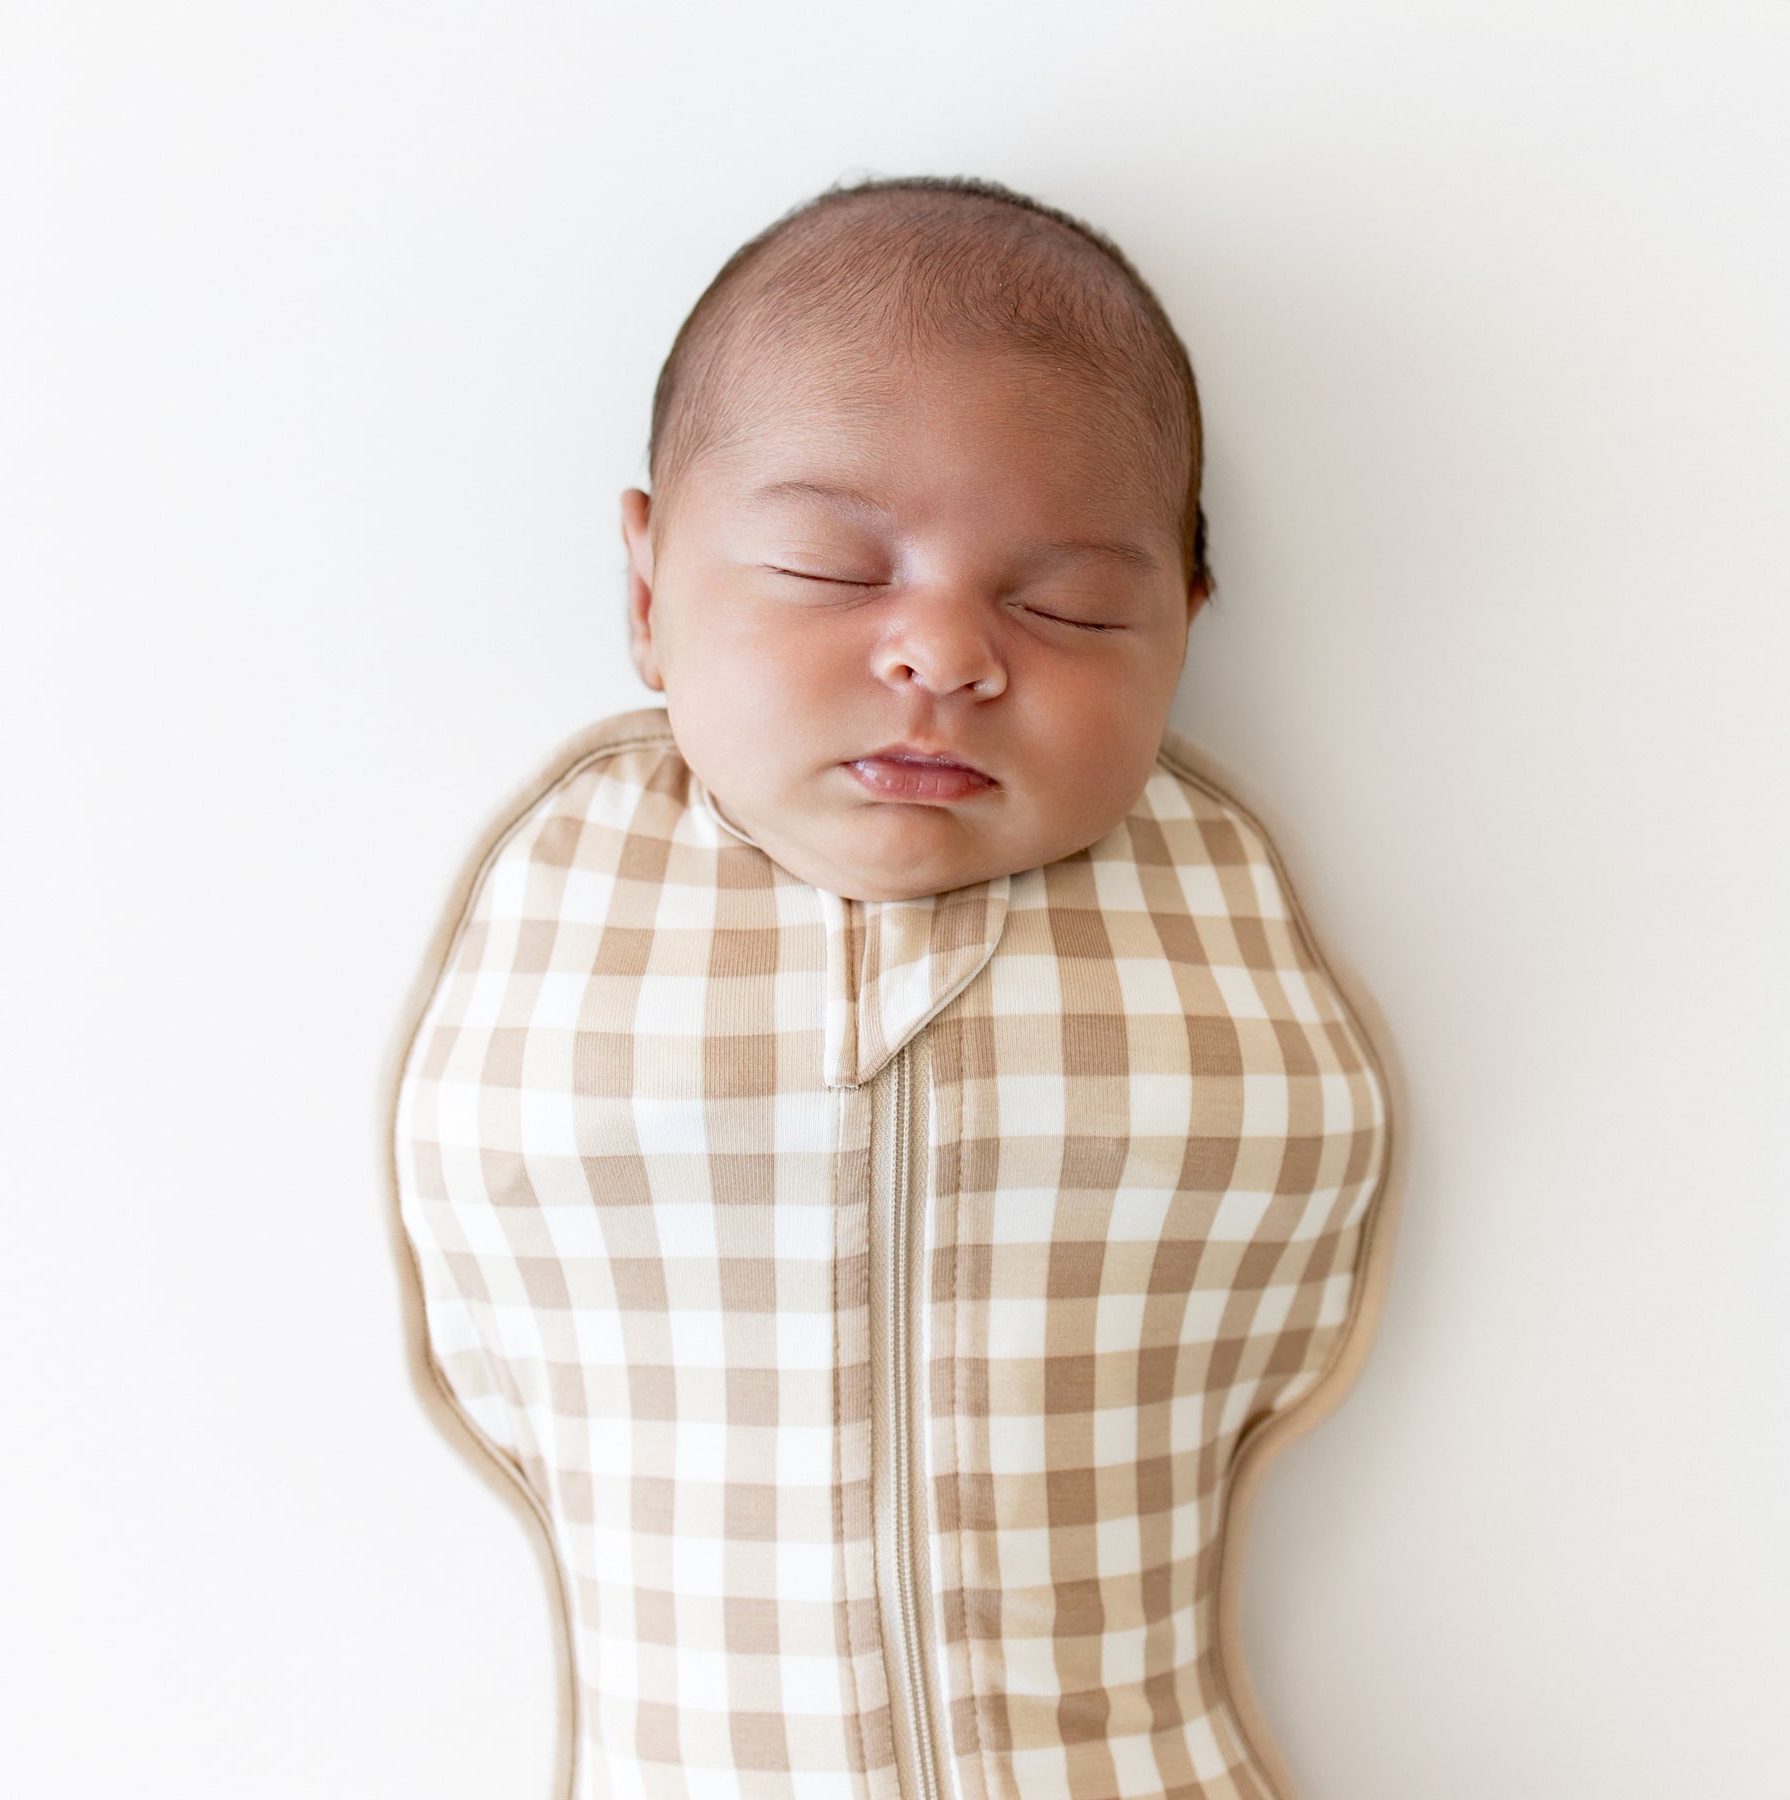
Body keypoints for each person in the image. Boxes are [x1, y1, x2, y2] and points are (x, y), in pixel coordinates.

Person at [390, 175, 1394, 1800]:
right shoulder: (582, 898)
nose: (940, 651)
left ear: (1185, 630)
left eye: (1064, 603)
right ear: (645, 587)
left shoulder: (1197, 911)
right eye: (832, 572)